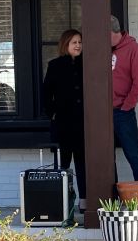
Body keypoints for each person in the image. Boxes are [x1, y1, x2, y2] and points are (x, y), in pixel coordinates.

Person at [43, 29, 86, 212]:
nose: (78, 45)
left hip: (83, 124)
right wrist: (52, 113)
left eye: (80, 42)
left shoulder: (86, 64)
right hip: (64, 124)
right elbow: (46, 94)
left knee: (83, 164)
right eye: (74, 42)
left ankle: (84, 201)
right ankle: (63, 202)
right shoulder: (55, 65)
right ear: (65, 45)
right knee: (64, 165)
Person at [111, 15, 138, 181]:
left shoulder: (134, 49)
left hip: (122, 112)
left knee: (133, 153)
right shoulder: (101, 49)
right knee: (104, 158)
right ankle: (111, 199)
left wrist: (126, 106)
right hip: (101, 112)